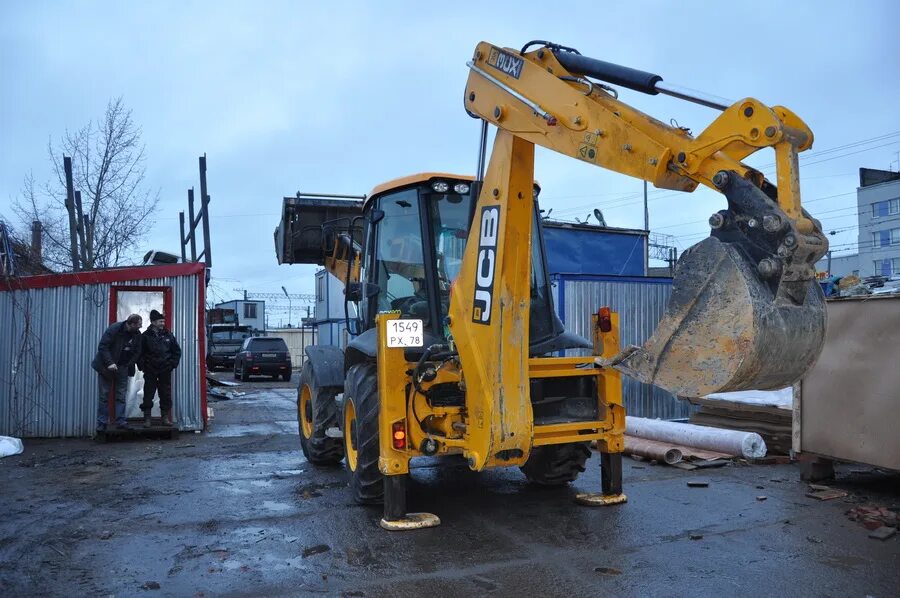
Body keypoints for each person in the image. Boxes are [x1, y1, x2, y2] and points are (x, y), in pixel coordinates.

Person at [91, 314, 143, 432]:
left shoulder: (137, 335)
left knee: (121, 395)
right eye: (139, 325)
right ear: (132, 324)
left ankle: (121, 421)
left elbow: (137, 352)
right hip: (106, 368)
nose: (140, 328)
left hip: (123, 368)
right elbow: (103, 346)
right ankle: (102, 423)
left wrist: (128, 364)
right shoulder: (115, 329)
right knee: (104, 395)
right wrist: (110, 362)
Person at [138, 309, 181, 427]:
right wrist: (143, 366)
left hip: (165, 370)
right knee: (148, 394)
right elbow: (139, 353)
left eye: (163, 321)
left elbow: (177, 351)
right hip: (150, 370)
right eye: (160, 321)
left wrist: (172, 364)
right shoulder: (145, 336)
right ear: (153, 322)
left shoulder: (168, 335)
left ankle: (165, 418)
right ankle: (147, 419)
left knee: (165, 394)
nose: (163, 323)